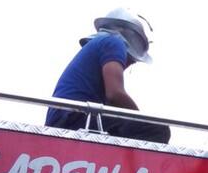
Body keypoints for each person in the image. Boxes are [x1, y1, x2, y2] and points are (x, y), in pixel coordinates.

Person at [45, 8, 170, 144]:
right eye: (130, 60)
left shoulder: (99, 44)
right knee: (157, 129)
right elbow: (115, 95)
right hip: (74, 118)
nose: (127, 64)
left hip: (64, 118)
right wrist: (140, 118)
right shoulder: (113, 42)